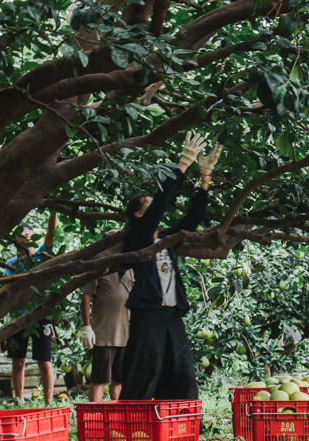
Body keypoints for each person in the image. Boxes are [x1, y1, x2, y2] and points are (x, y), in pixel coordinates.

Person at [119, 131, 220, 405]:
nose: (156, 210)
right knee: (144, 370)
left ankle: (182, 423)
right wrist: (182, 163)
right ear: (138, 214)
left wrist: (205, 179)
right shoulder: (137, 236)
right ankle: (130, 421)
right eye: (149, 207)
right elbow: (160, 206)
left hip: (171, 314)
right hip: (148, 313)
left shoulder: (165, 241)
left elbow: (193, 219)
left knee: (182, 373)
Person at [4, 212, 57, 404]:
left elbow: (50, 234)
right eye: (22, 232)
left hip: (41, 315)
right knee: (18, 361)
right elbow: (7, 291)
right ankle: (19, 400)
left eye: (29, 232)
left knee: (44, 361)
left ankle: (48, 402)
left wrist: (53, 211)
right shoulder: (10, 264)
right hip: (18, 318)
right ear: (16, 239)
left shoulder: (43, 256)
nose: (26, 234)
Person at [80, 229, 134, 402]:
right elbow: (86, 295)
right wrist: (86, 326)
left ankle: (116, 415)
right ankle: (94, 417)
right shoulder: (98, 266)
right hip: (105, 333)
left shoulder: (131, 266)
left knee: (119, 379)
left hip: (127, 333)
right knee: (99, 379)